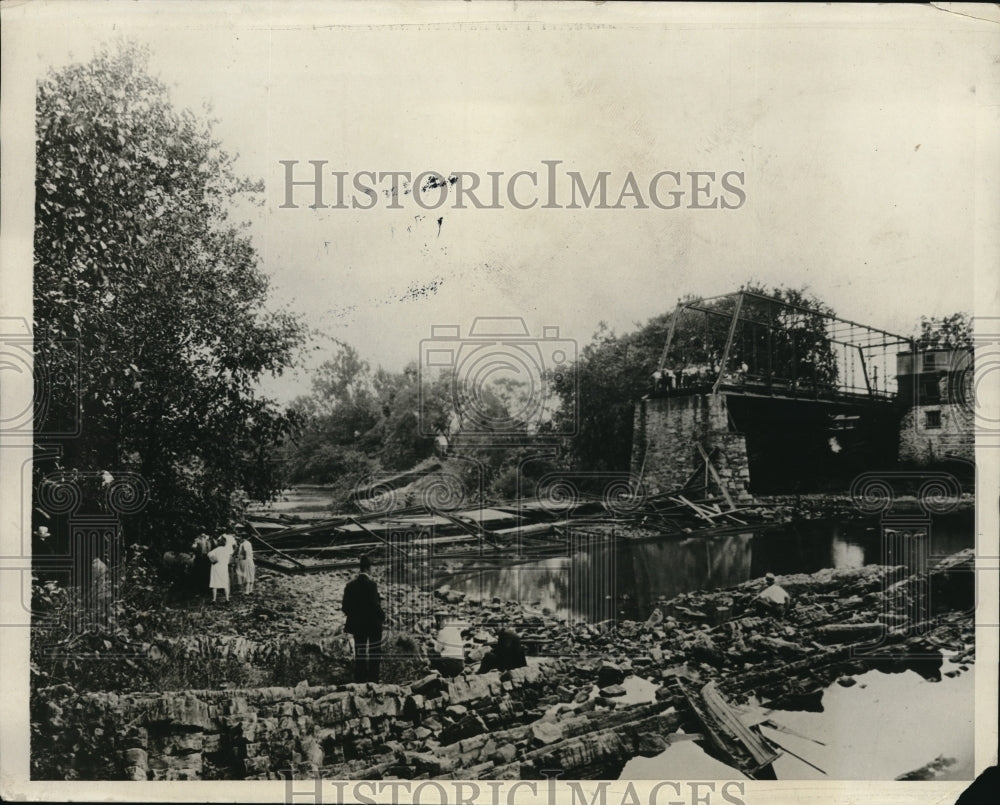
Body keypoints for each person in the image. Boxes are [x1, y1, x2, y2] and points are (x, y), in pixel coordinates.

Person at [341, 554, 385, 682]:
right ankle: (373, 680)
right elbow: (374, 605)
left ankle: (359, 680)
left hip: (358, 625)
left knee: (359, 652)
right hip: (372, 625)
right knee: (374, 652)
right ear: (369, 568)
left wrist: (356, 615)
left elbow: (345, 607)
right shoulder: (372, 585)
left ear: (360, 568)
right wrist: (382, 616)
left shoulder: (350, 586)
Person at [207, 536, 232, 603]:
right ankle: (227, 599)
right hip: (224, 567)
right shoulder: (227, 550)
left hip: (216, 567)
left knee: (214, 583)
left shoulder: (216, 549)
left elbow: (209, 554)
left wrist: (214, 560)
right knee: (225, 583)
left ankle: (214, 599)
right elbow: (230, 560)